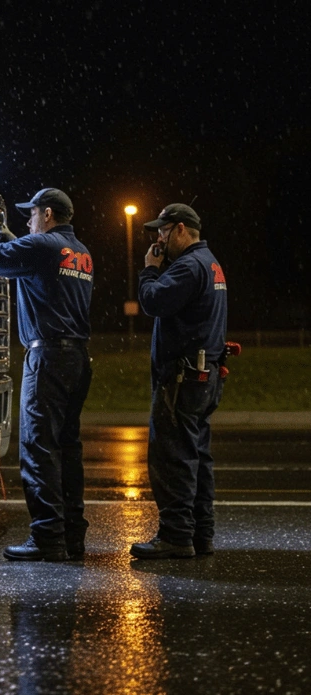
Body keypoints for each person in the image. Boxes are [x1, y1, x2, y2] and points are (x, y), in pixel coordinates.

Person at [0, 188, 94, 562]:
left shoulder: (41, 248)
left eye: (32, 214)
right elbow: (35, 266)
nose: (28, 221)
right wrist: (11, 238)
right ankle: (72, 536)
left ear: (49, 214)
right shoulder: (80, 252)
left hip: (48, 360)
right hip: (77, 359)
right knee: (66, 450)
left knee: (39, 449)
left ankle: (46, 540)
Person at [130, 203, 227, 559]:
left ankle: (175, 535)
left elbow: (154, 301)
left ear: (182, 229)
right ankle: (201, 533)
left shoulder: (188, 266)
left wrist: (149, 271)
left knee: (173, 457)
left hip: (183, 377)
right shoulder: (210, 262)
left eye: (164, 230)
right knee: (197, 455)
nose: (159, 237)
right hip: (205, 373)